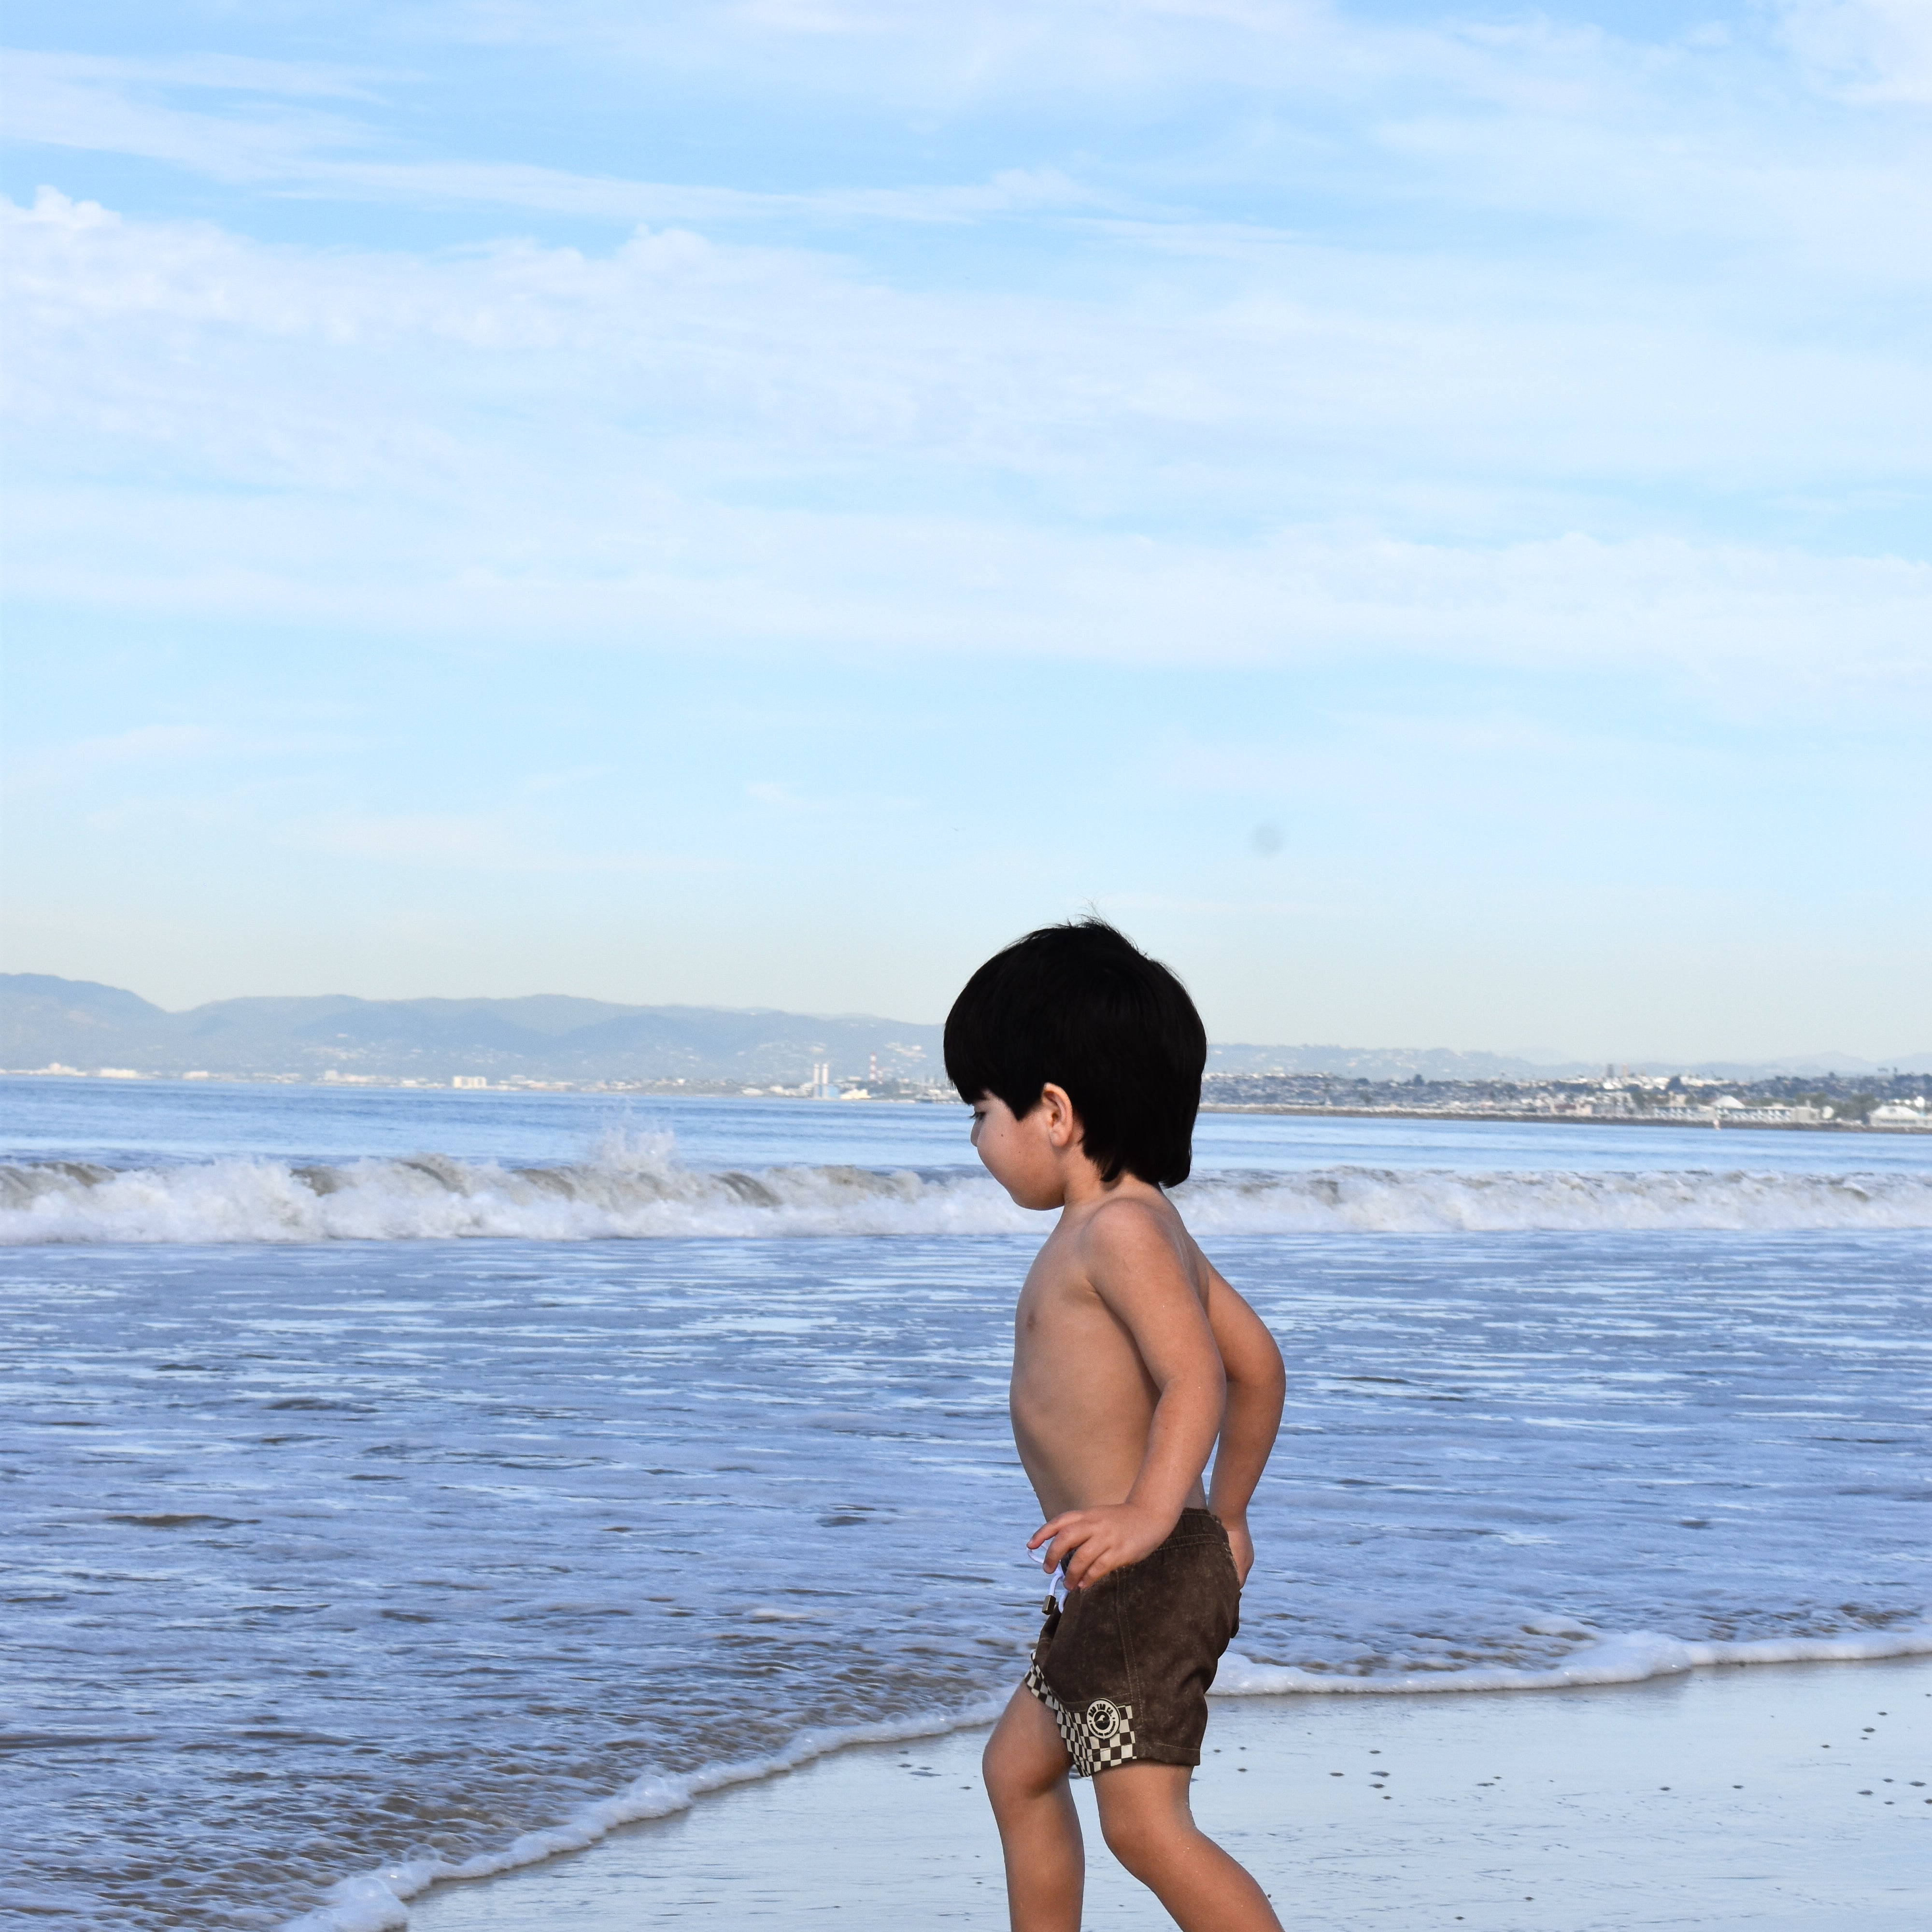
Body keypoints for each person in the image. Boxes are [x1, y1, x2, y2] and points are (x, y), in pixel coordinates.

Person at [945, 919, 1288, 1932]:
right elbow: (1258, 1362)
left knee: (1143, 1822)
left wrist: (1154, 1511)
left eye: (979, 1110)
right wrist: (1225, 1511)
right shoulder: (1132, 1221)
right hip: (1117, 1577)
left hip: (1143, 1572)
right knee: (1016, 1769)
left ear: (1051, 1110)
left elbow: (1200, 1377)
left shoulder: (1122, 1231)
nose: (975, 1140)